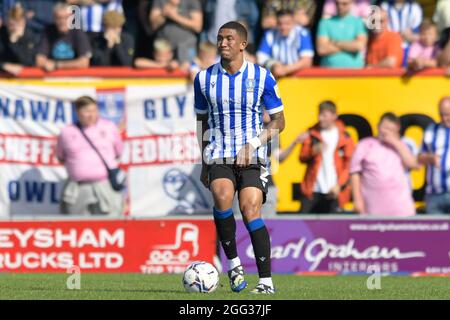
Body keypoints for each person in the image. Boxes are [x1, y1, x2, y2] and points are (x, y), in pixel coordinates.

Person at [195, 21, 285, 294]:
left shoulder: (262, 77)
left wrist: (253, 144)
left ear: (242, 44)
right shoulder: (203, 78)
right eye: (220, 38)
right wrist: (204, 160)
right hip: (219, 153)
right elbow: (201, 121)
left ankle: (265, 282)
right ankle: (233, 265)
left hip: (252, 155)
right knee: (222, 197)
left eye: (229, 39)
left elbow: (279, 121)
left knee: (250, 210)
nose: (223, 43)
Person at [56, 96, 124, 216]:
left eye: (94, 111)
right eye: (87, 111)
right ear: (77, 112)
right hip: (78, 188)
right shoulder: (67, 132)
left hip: (104, 185)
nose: (91, 115)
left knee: (111, 225)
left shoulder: (109, 127)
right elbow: (61, 156)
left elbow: (118, 152)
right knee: (76, 227)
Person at [350, 112, 418, 216]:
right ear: (378, 126)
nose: (386, 132)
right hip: (373, 206)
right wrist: (357, 199)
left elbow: (413, 164)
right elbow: (354, 172)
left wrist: (395, 142)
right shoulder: (365, 145)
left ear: (397, 131)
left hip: (400, 208)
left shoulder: (402, 145)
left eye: (391, 130)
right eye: (384, 128)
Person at [299, 101, 354, 213]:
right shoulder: (312, 133)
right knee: (303, 226)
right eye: (319, 114)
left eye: (324, 115)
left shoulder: (345, 137)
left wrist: (339, 185)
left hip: (333, 191)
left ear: (334, 116)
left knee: (333, 228)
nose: (320, 118)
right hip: (312, 190)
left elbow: (349, 165)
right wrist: (312, 151)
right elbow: (302, 157)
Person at [257, 9, 314, 78]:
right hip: (276, 78)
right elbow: (260, 58)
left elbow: (307, 62)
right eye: (280, 23)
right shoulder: (270, 34)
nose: (283, 27)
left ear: (294, 22)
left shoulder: (302, 33)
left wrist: (284, 69)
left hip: (299, 78)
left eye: (287, 23)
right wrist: (273, 65)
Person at [35, 2, 91, 72]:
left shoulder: (78, 32)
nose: (62, 21)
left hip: (75, 77)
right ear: (54, 18)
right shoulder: (48, 32)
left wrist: (57, 65)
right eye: (59, 18)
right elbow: (39, 60)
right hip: (52, 78)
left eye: (66, 18)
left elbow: (84, 63)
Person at [418, 97, 450, 214]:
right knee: (436, 231)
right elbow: (419, 157)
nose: (445, 118)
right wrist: (430, 158)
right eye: (442, 115)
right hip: (434, 195)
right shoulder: (432, 130)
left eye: (448, 114)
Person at [317, 0, 368, 68]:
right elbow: (322, 49)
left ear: (351, 3)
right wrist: (349, 47)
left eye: (344, 4)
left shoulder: (358, 22)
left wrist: (334, 42)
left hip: (355, 72)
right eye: (337, 3)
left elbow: (359, 46)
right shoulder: (325, 22)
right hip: (329, 72)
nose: (340, 6)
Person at [0, 4, 39, 76]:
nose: (12, 28)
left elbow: (29, 62)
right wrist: (4, 65)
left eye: (15, 24)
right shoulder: (2, 34)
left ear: (23, 22)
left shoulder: (31, 36)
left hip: (27, 80)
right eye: (10, 24)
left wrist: (14, 42)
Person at [381, 0, 423, 66]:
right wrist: (400, 34)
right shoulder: (384, 6)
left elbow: (417, 35)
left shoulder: (415, 7)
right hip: (390, 48)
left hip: (409, 49)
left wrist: (412, 36)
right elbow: (381, 30)